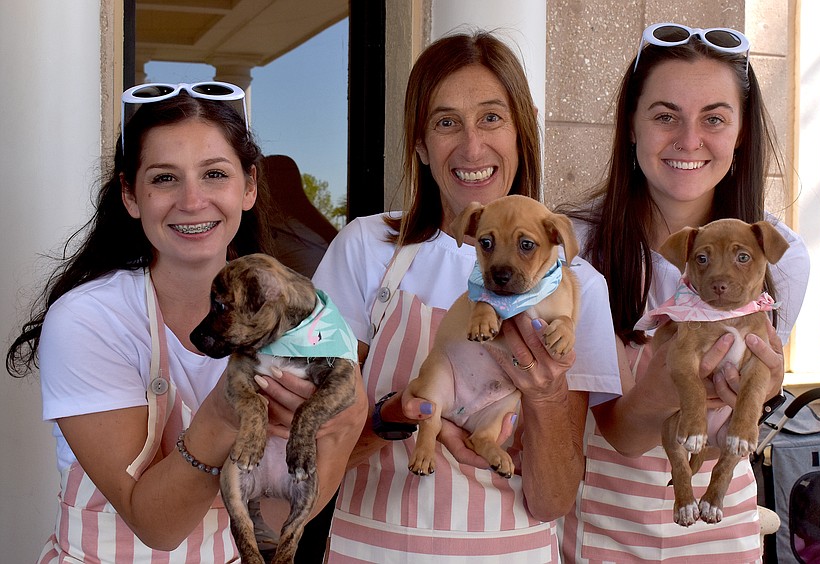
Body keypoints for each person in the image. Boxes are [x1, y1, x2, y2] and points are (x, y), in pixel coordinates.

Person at [5, 82, 367, 562]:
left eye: (214, 173)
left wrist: (343, 424)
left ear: (249, 186)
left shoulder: (288, 326)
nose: (193, 201)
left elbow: (272, 524)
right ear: (131, 196)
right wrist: (223, 413)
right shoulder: (89, 320)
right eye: (164, 178)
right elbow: (156, 525)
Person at [311, 31, 622, 562]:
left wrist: (545, 396)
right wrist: (390, 416)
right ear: (420, 145)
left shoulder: (577, 288)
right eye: (446, 121)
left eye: (492, 118)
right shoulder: (366, 251)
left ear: (522, 136)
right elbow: (307, 446)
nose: (472, 146)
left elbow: (554, 498)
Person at [558, 23, 811, 562]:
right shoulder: (573, 247)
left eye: (714, 118)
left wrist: (758, 388)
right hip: (602, 533)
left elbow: (735, 428)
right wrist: (674, 382)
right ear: (631, 124)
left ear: (741, 133)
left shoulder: (782, 255)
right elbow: (618, 433)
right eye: (665, 115)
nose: (689, 140)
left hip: (725, 536)